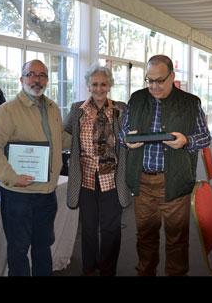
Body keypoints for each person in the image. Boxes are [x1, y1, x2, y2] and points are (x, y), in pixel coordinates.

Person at [120, 54, 211, 276]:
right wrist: (127, 140)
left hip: (174, 183)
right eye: (149, 80)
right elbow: (123, 131)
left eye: (159, 80)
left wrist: (187, 141)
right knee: (145, 237)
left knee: (177, 239)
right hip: (142, 183)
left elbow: (205, 137)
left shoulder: (191, 103)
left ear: (172, 76)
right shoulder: (137, 99)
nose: (154, 86)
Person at [0, 59, 63, 276]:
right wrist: (11, 176)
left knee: (43, 246)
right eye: (31, 74)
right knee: (18, 249)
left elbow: (59, 140)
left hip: (47, 193)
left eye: (42, 75)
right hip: (19, 195)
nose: (37, 79)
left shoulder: (53, 108)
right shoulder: (6, 111)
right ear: (22, 79)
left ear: (47, 79)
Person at [64, 64, 131, 276]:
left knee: (111, 228)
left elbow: (130, 138)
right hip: (86, 178)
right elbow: (65, 136)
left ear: (109, 85)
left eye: (103, 84)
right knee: (89, 228)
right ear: (88, 86)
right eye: (95, 84)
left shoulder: (121, 109)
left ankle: (108, 269)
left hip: (112, 178)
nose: (99, 88)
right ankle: (88, 267)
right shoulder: (77, 110)